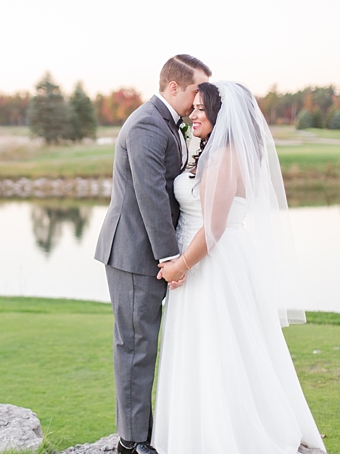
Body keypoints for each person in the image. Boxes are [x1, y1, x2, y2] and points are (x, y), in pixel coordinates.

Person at [152, 81, 327, 453]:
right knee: (208, 347)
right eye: (193, 107)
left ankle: (226, 435)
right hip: (209, 259)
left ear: (221, 115)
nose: (193, 115)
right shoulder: (213, 153)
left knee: (219, 348)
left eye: (201, 109)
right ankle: (199, 430)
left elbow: (213, 229)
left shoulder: (225, 157)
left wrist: (178, 267)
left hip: (213, 263)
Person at [94, 54, 211, 454]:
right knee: (135, 345)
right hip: (133, 253)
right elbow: (151, 198)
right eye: (197, 89)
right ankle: (132, 441)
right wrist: (170, 258)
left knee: (145, 343)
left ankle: (144, 432)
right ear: (174, 87)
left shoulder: (168, 123)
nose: (201, 98)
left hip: (148, 253)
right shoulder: (147, 123)